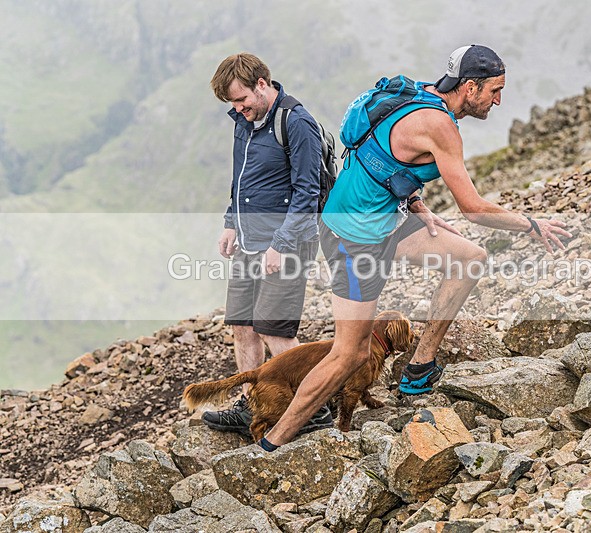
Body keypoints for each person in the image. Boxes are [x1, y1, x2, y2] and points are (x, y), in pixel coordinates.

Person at [256, 44, 571, 452]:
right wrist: (531, 224)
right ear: (469, 87)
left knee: (469, 260)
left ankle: (419, 366)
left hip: (385, 219)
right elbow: (473, 209)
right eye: (494, 90)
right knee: (348, 355)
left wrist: (415, 204)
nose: (499, 100)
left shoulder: (419, 94)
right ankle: (273, 443)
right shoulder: (441, 125)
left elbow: (383, 155)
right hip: (355, 236)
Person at [202, 53, 332, 435]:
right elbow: (241, 179)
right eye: (232, 104)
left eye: (241, 100)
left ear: (262, 83)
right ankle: (252, 405)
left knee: (274, 328)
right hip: (248, 240)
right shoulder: (245, 121)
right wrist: (230, 223)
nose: (238, 109)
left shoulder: (297, 123)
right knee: (243, 326)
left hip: (287, 243)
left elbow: (307, 192)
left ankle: (315, 406)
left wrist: (280, 244)